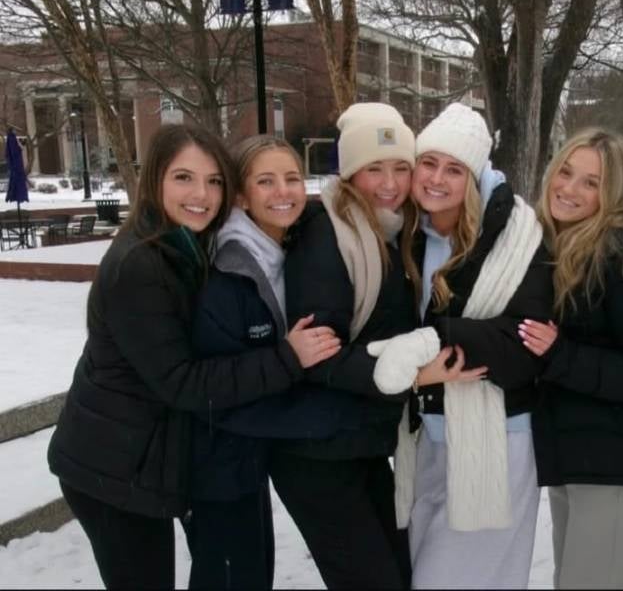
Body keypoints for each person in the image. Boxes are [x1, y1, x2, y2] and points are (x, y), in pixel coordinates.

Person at [46, 124, 313, 589]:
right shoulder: (141, 265)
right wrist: (287, 359)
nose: (201, 194)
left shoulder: (183, 245)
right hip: (111, 468)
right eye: (184, 178)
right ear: (156, 181)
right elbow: (181, 382)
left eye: (213, 181)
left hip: (144, 454)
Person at [368, 102, 554, 589]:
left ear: (473, 179)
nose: (436, 179)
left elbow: (521, 342)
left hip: (496, 442)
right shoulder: (408, 233)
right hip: (427, 436)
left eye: (454, 169)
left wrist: (434, 341)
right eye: (427, 164)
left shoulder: (517, 238)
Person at [265, 103, 422, 588]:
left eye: (400, 168)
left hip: (359, 442)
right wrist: (407, 373)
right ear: (350, 173)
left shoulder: (389, 231)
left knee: (398, 574)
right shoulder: (325, 235)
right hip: (315, 452)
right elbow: (318, 355)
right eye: (374, 168)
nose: (390, 183)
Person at [519, 127, 623, 589]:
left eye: (591, 182)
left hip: (618, 467)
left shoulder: (621, 256)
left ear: (612, 195)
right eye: (566, 172)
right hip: (578, 457)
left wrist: (560, 355)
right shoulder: (561, 244)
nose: (569, 188)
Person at [185, 135, 338, 589]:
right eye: (266, 181)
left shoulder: (280, 252)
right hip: (217, 467)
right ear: (240, 196)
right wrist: (323, 416)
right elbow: (215, 394)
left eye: (292, 178)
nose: (283, 191)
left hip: (247, 464)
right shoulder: (229, 275)